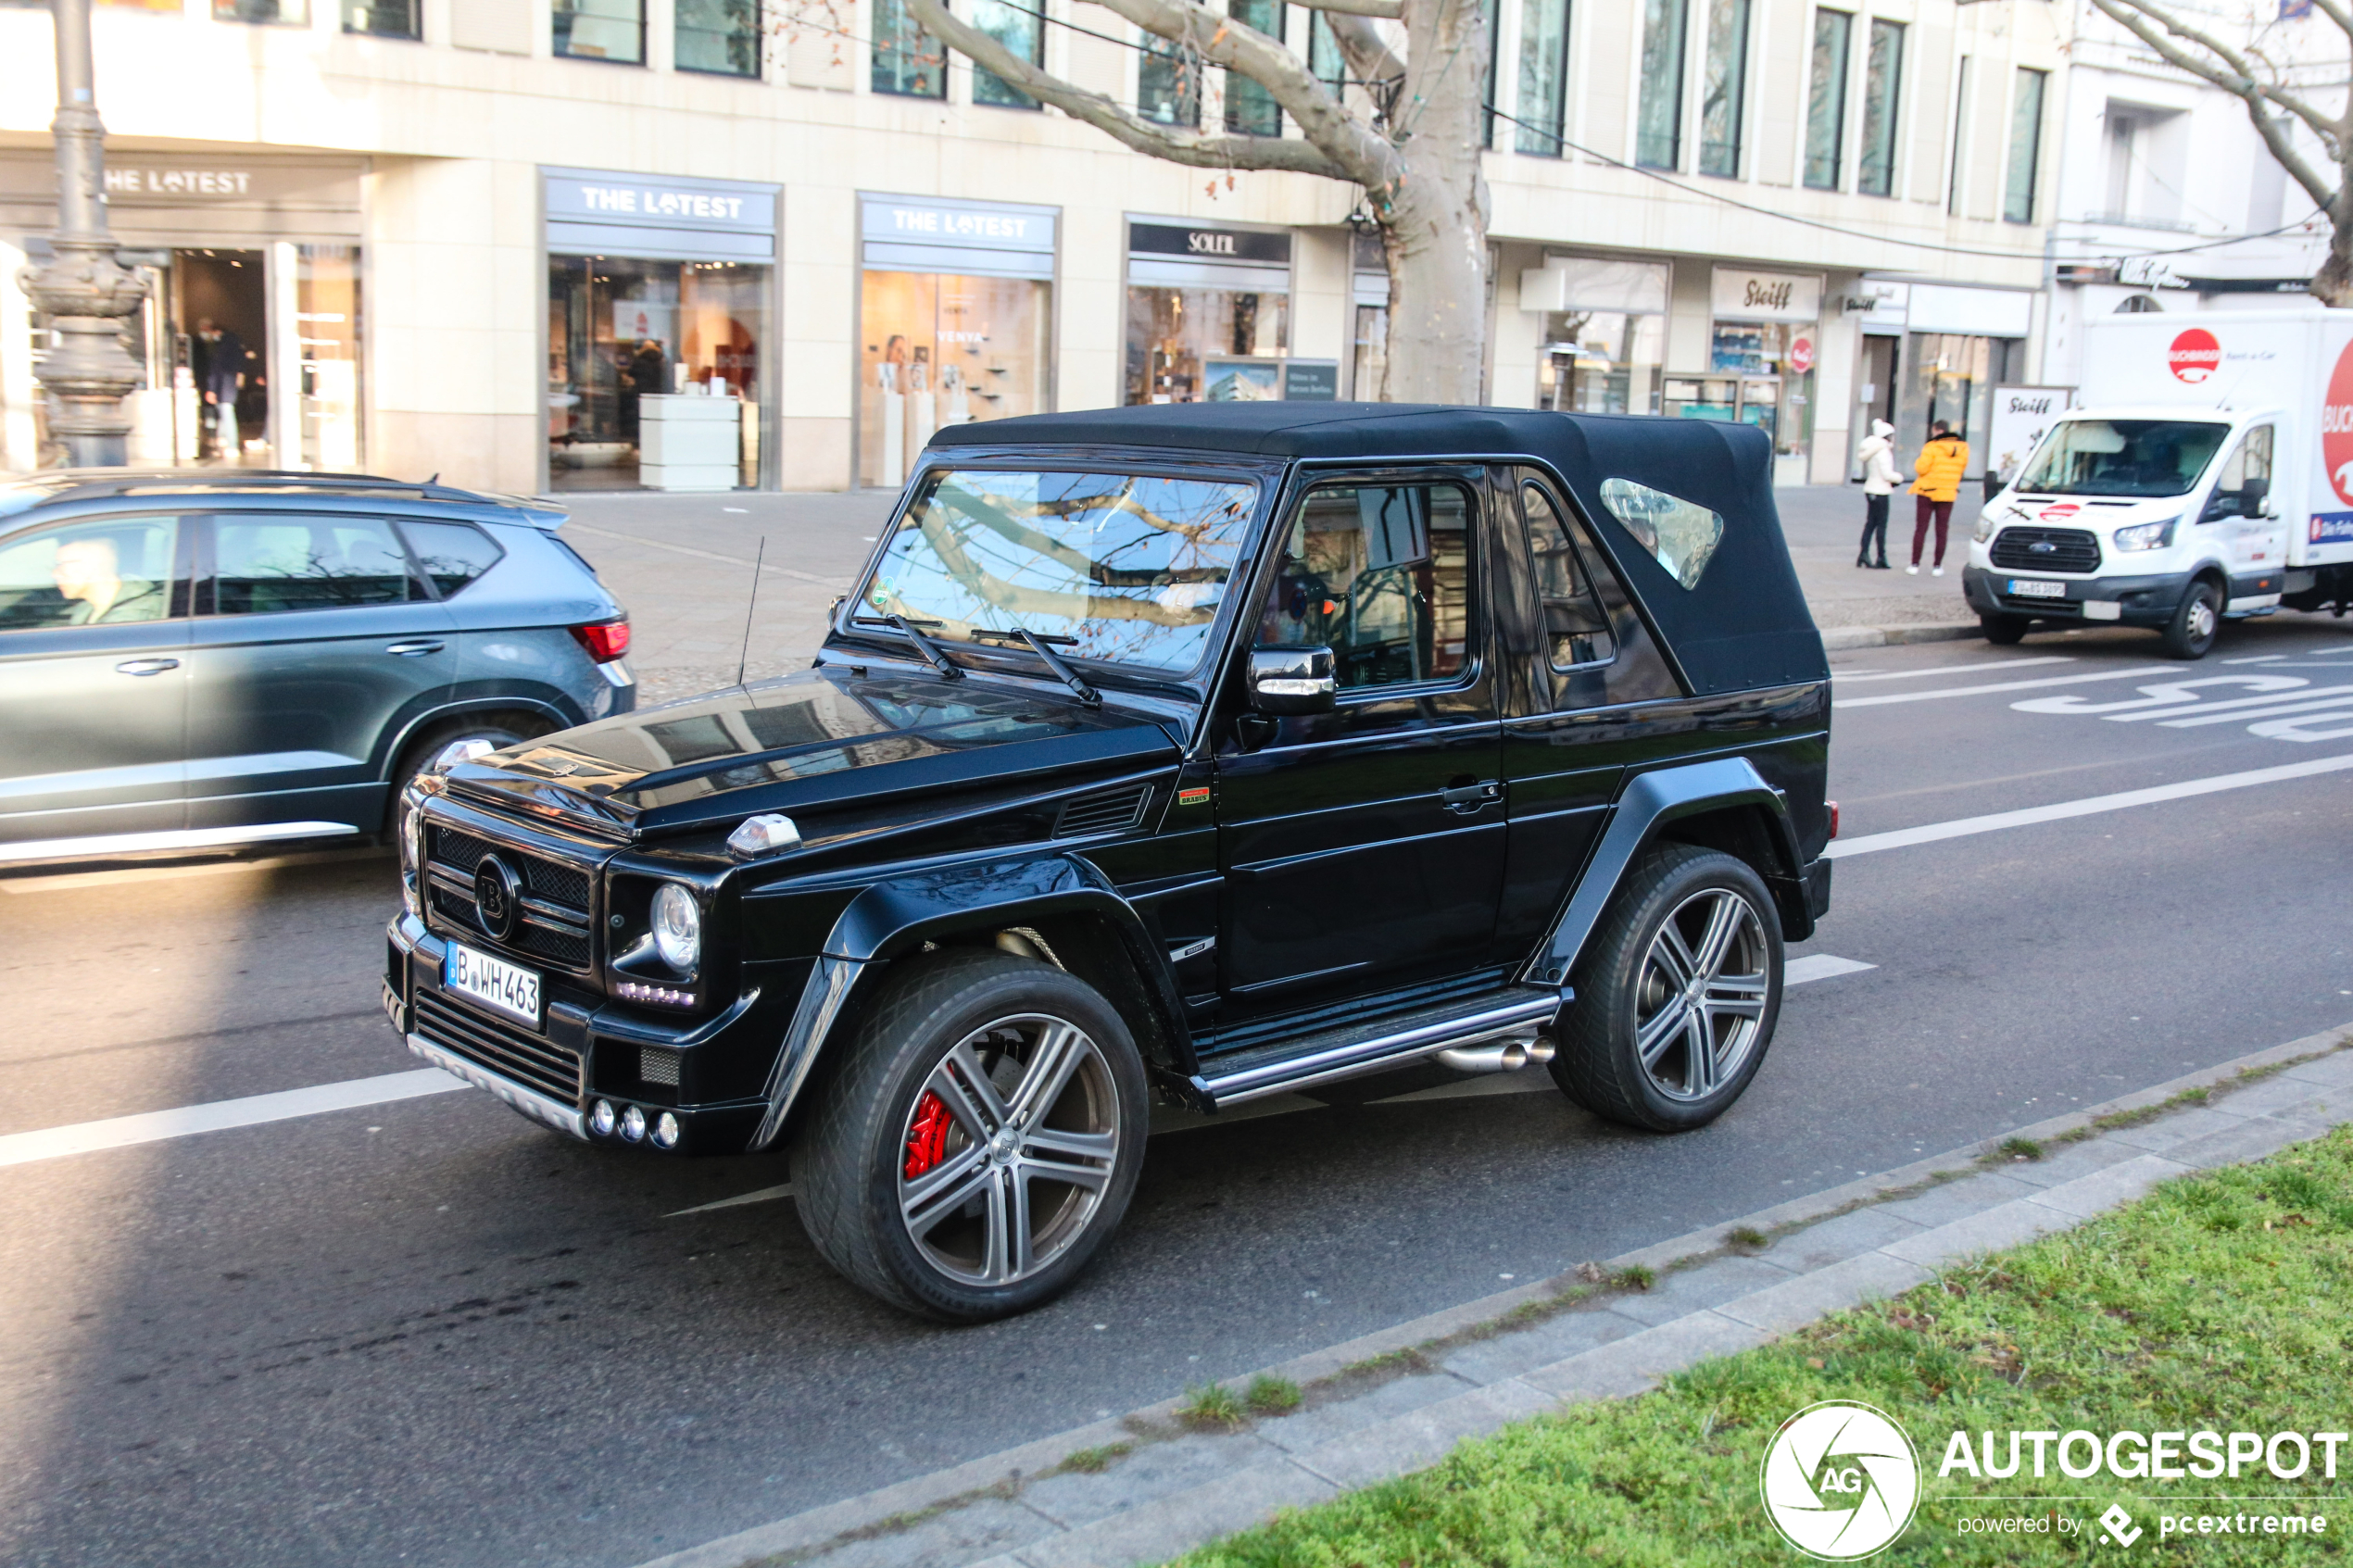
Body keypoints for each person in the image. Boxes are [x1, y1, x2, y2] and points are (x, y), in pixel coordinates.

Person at [53, 536, 163, 625]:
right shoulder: (89, 607)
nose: (55, 573)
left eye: (62, 564)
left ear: (91, 566)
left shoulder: (132, 619)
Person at [1908, 420, 1969, 576]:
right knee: (1942, 530)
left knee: (1921, 528)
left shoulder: (1931, 447)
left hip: (1927, 491)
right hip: (1948, 492)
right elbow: (1961, 470)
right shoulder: (1963, 448)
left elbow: (1921, 468)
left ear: (1938, 431)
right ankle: (1937, 566)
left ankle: (1915, 564)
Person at [192, 318, 245, 459]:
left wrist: (211, 389)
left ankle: (231, 444)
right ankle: (223, 439)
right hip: (229, 385)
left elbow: (216, 370)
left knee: (226, 412)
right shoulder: (234, 343)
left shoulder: (221, 347)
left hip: (223, 385)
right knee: (224, 411)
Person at [1856, 418, 1900, 570]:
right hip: (1881, 491)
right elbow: (1887, 474)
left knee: (1870, 523)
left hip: (1870, 489)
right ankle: (1881, 557)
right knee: (1881, 525)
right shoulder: (1883, 451)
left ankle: (1864, 553)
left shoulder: (1872, 450)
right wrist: (1898, 478)